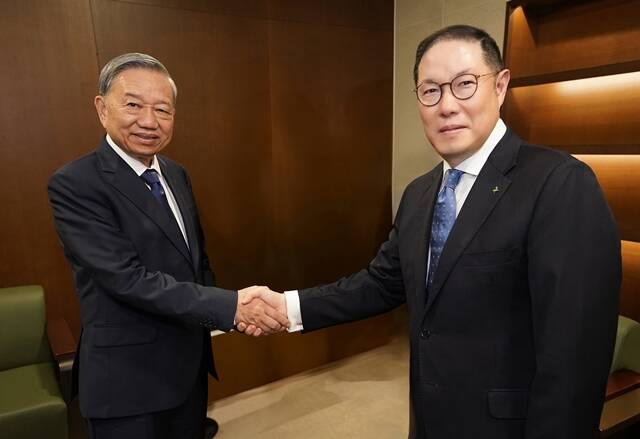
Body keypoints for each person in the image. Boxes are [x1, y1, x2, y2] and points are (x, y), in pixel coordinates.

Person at [240, 25, 621, 439]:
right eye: (431, 91)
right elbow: (381, 283)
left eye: (465, 84)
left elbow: (576, 352)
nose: (447, 106)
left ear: (500, 86)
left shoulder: (560, 183)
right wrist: (288, 308)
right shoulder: (419, 193)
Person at [48, 53, 288, 439]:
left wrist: (229, 316)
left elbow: (196, 260)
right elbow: (128, 279)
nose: (149, 121)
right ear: (102, 108)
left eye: (162, 109)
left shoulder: (175, 174)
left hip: (188, 370)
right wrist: (231, 307)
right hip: (128, 383)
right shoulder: (76, 183)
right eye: (133, 105)